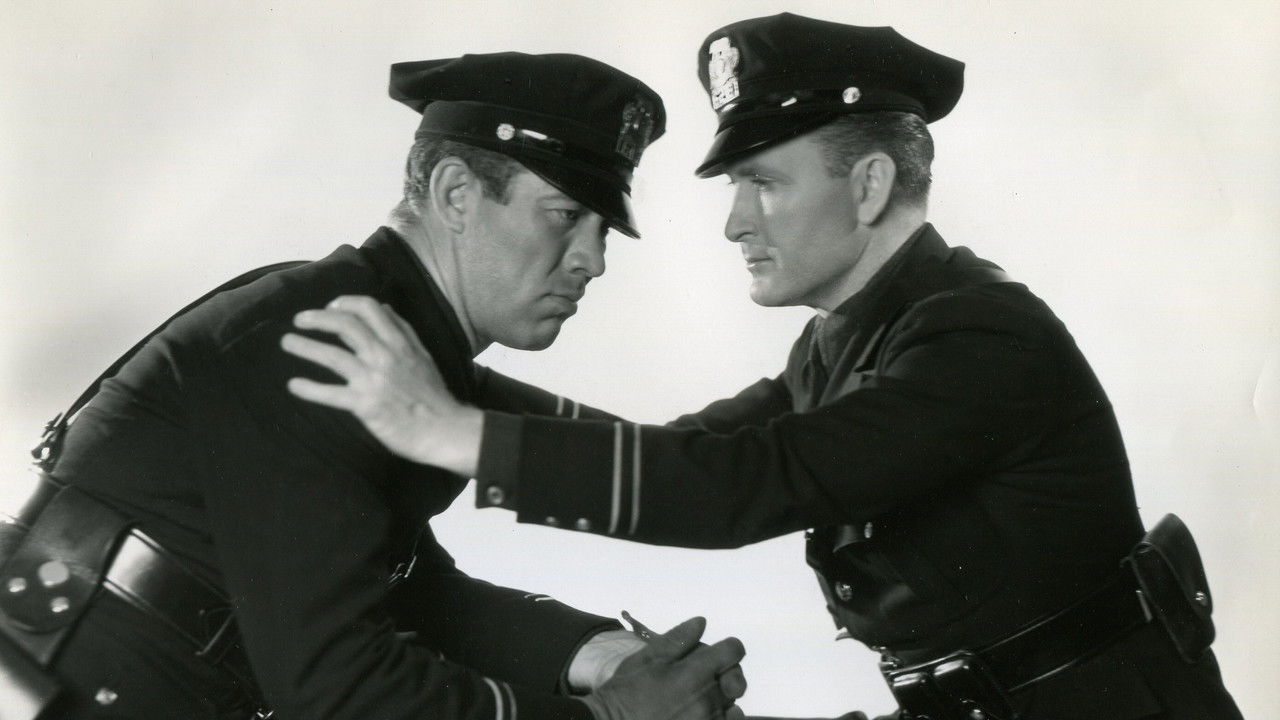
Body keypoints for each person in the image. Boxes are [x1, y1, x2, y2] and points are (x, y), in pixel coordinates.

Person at [279, 14, 1242, 720]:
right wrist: (451, 395)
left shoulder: (979, 338)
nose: (735, 223)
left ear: (869, 186)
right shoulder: (847, 341)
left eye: (763, 183)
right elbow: (678, 452)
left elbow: (744, 484)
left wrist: (452, 431)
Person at [0, 52, 748, 720]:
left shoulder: (388, 341)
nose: (592, 260)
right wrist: (613, 715)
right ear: (456, 194)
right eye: (565, 216)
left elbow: (412, 589)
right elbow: (339, 691)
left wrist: (605, 655)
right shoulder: (324, 343)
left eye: (603, 230)